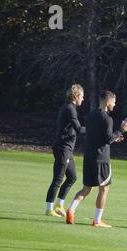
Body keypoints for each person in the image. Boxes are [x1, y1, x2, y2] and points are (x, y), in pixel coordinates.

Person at [65, 90, 127, 227]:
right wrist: (121, 130)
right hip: (101, 159)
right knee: (104, 189)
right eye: (114, 101)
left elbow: (98, 136)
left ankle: (71, 209)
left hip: (88, 156)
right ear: (108, 102)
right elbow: (107, 139)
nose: (115, 104)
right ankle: (97, 220)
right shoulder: (107, 118)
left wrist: (114, 137)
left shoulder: (90, 115)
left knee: (86, 189)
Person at [45, 84, 85, 218]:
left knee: (72, 177)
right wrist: (95, 129)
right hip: (62, 148)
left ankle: (59, 205)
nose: (83, 99)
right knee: (58, 179)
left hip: (67, 149)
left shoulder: (71, 108)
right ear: (75, 96)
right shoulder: (70, 109)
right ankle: (49, 208)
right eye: (82, 96)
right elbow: (79, 129)